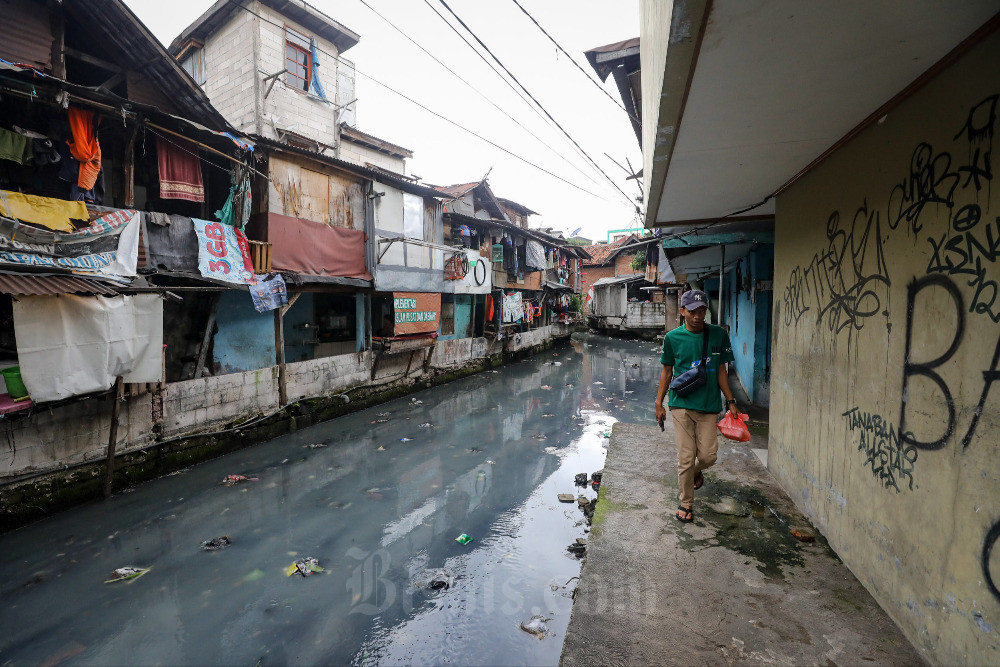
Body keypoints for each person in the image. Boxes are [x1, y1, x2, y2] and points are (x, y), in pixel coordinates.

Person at [655, 289, 739, 523]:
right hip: (681, 403)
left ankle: (696, 472)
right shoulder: (672, 338)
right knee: (685, 456)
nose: (697, 316)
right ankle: (686, 502)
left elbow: (722, 370)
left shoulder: (718, 335)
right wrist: (659, 402)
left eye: (702, 311)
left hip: (709, 405)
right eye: (692, 311)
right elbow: (667, 371)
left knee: (708, 456)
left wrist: (731, 401)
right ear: (682, 312)